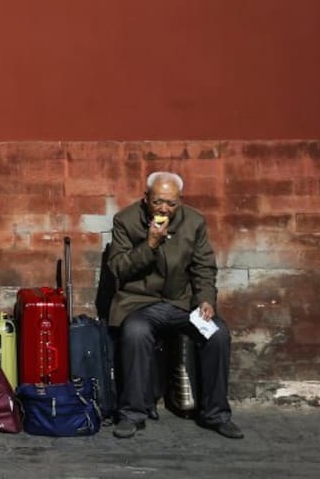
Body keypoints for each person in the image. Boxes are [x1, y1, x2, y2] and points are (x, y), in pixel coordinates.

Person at [107, 171, 244, 439]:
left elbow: (204, 267)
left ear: (179, 201)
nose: (164, 209)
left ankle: (216, 414)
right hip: (140, 303)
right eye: (158, 202)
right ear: (146, 199)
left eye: (171, 203)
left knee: (218, 334)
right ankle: (133, 414)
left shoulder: (194, 221)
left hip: (183, 305)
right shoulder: (126, 220)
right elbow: (118, 268)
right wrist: (150, 244)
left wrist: (205, 299)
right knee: (135, 333)